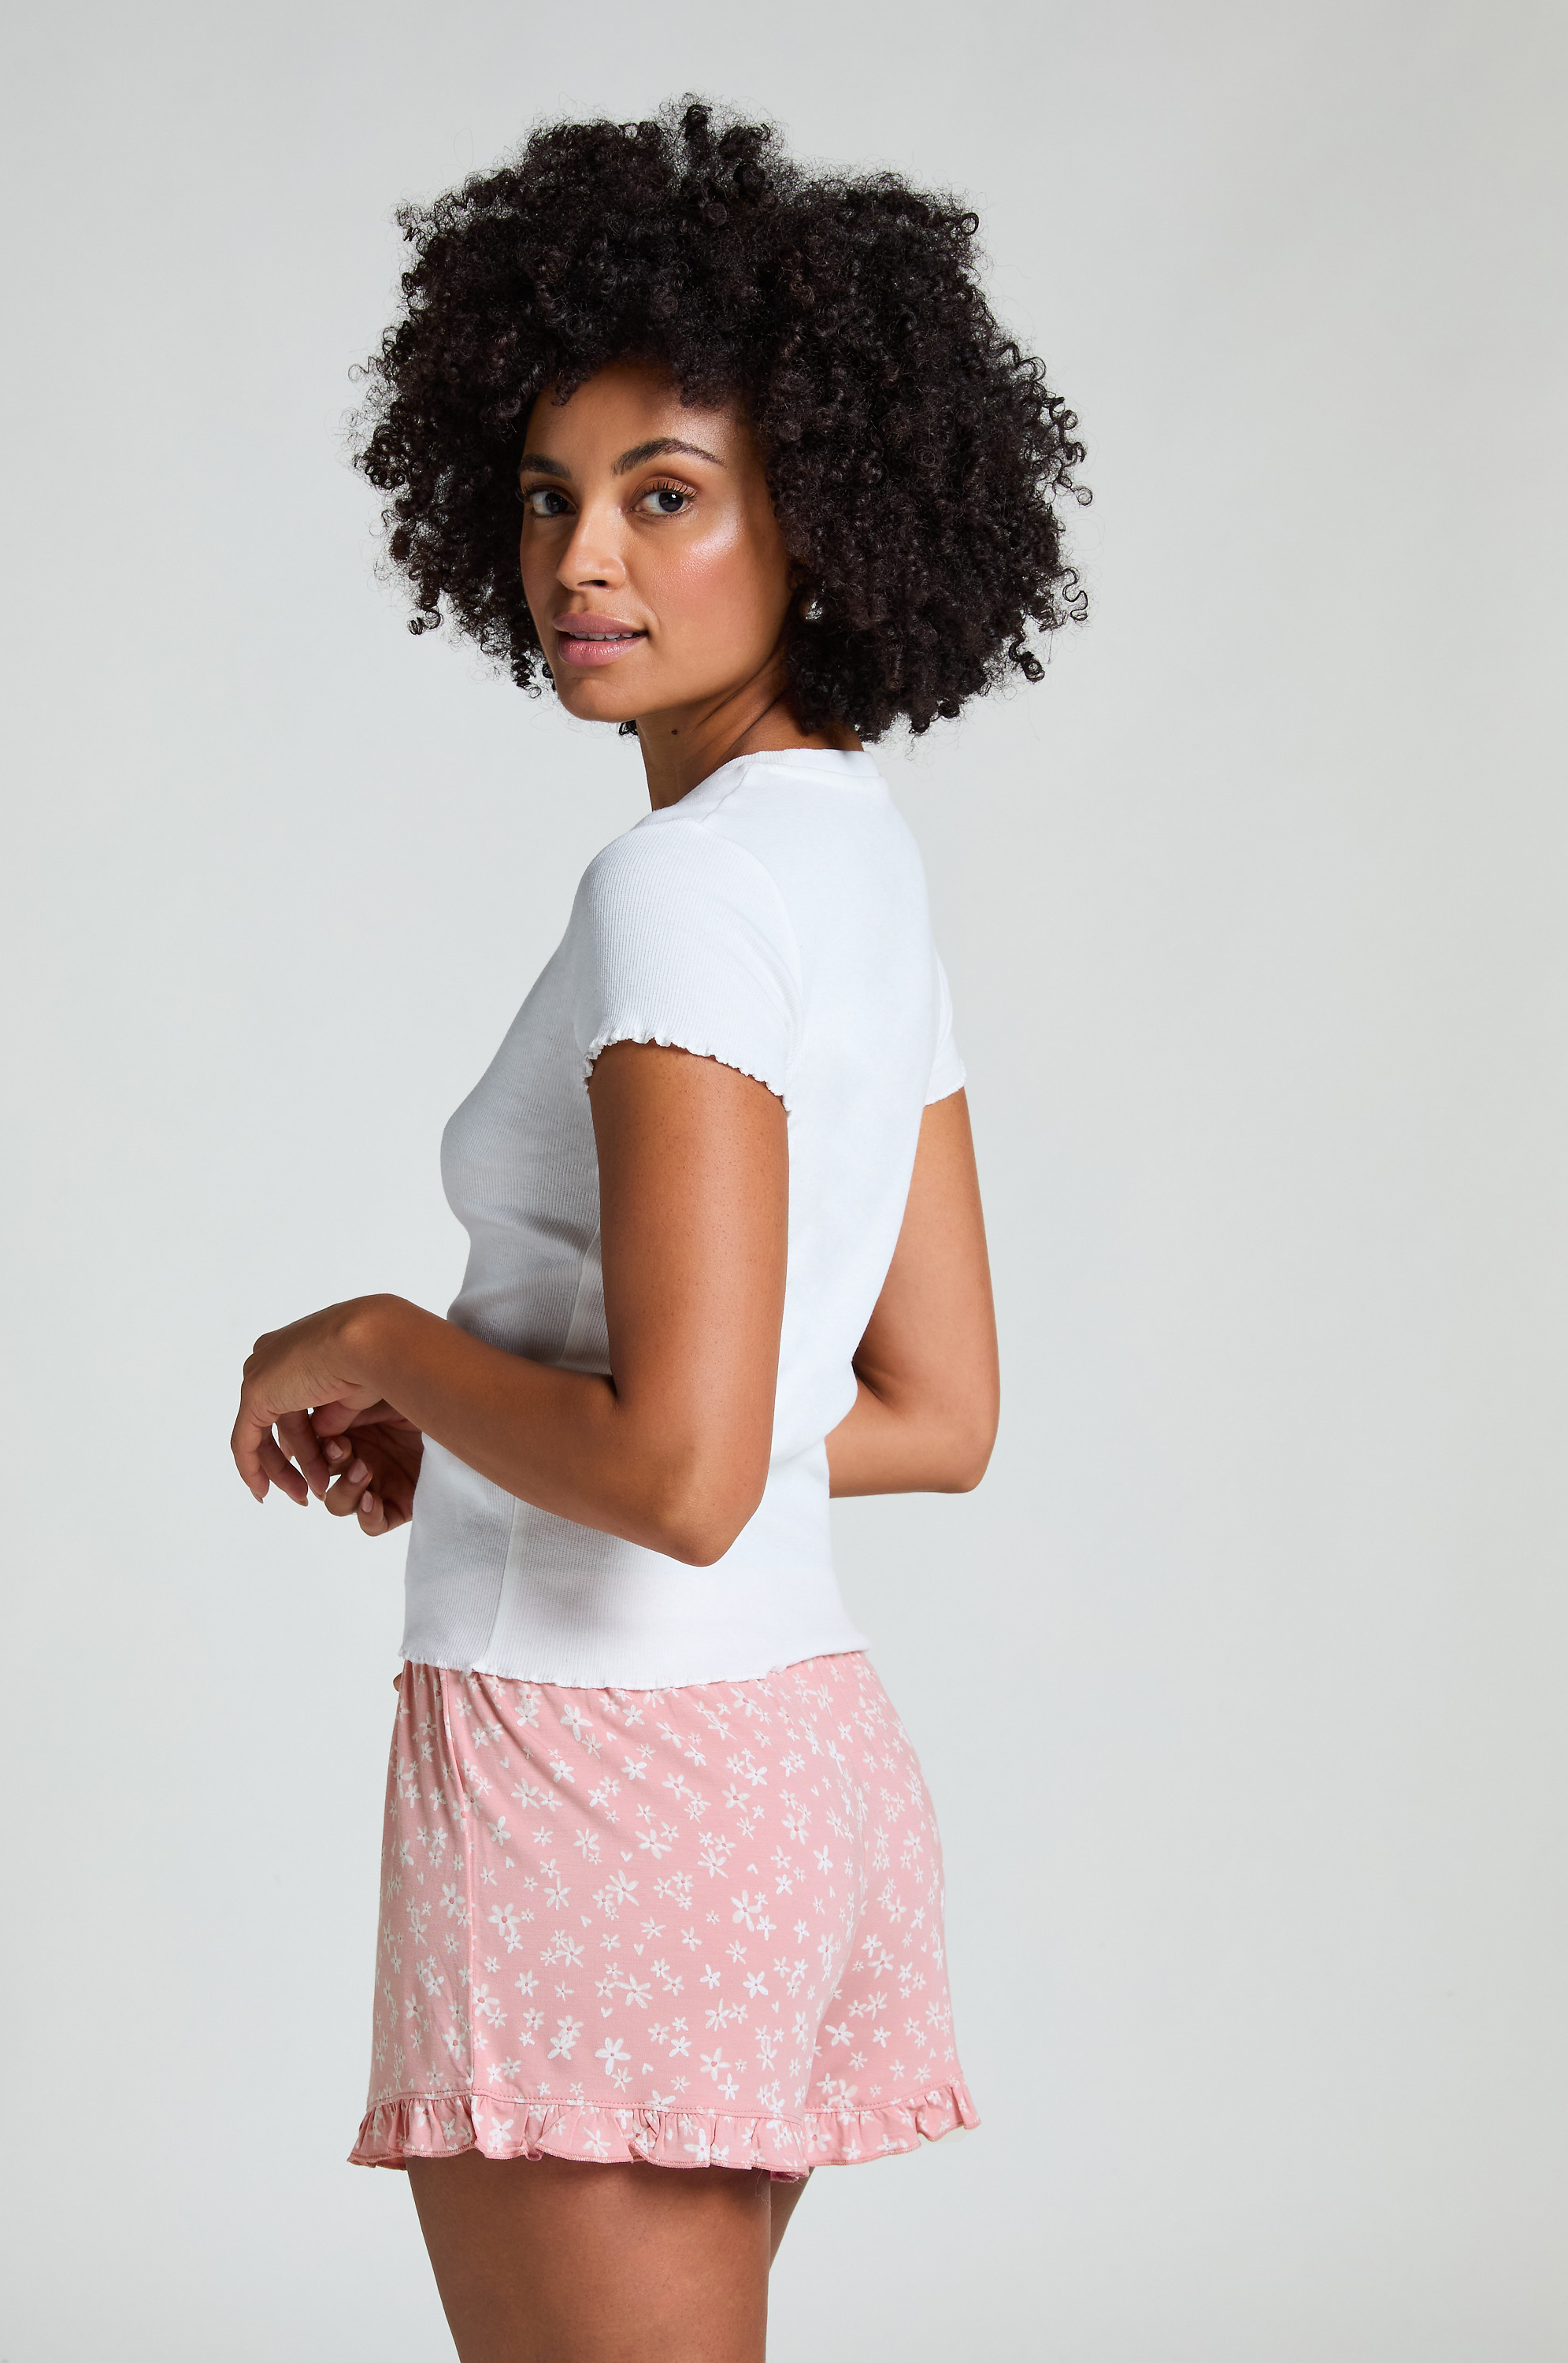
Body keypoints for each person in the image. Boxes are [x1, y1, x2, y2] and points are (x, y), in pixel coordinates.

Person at [231, 98, 1085, 2363]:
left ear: (826, 515)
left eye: (664, 496)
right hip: (782, 1766)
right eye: (546, 497)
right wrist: (504, 1428)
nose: (580, 560)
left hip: (594, 1774)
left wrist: (380, 1341)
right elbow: (932, 1409)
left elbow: (687, 1473)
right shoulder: (854, 862)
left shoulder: (682, 890)